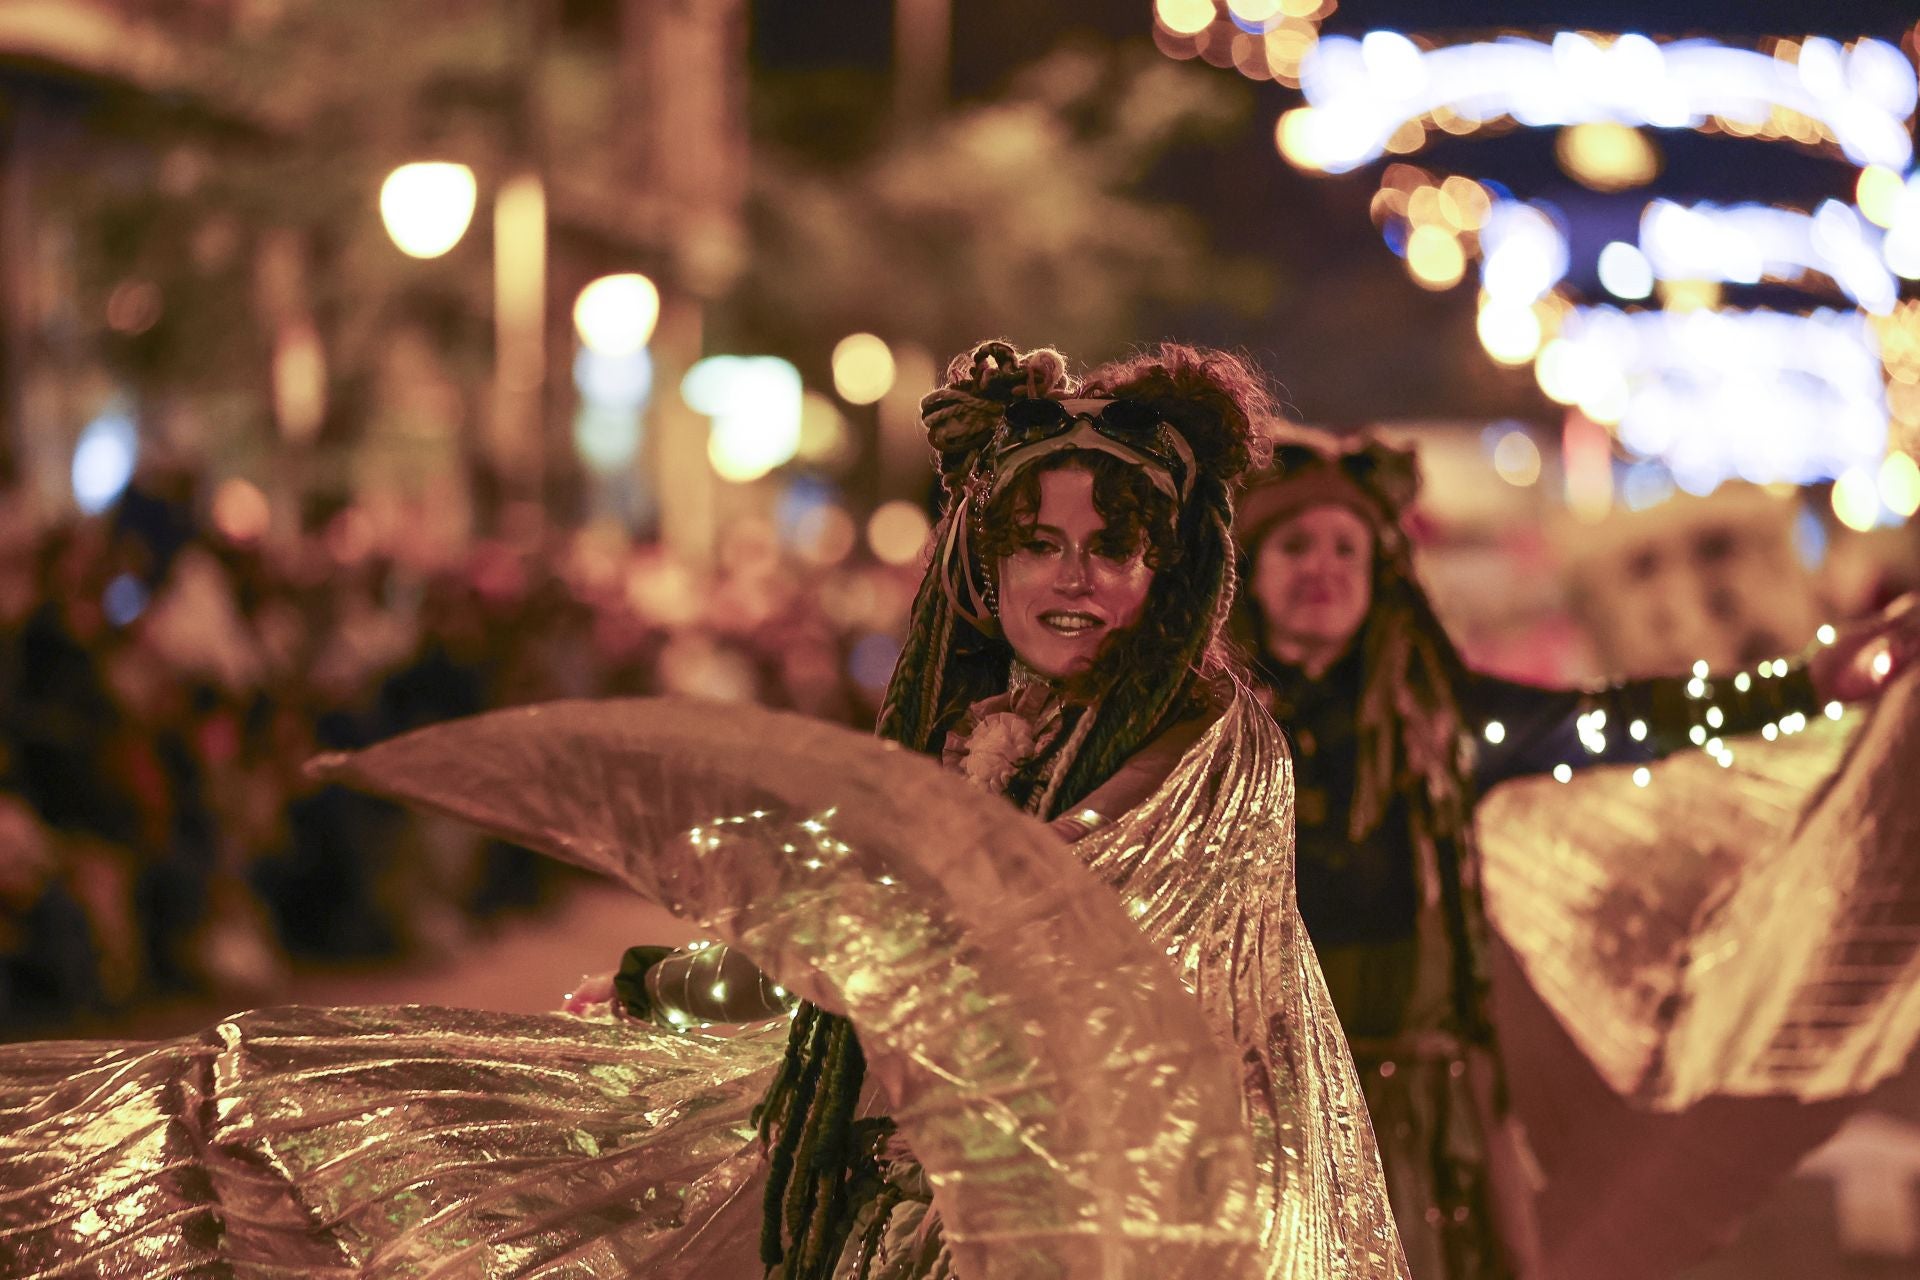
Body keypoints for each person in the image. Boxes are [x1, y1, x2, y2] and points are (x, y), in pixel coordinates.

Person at [0, 344, 1405, 1279]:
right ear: (981, 568)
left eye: (1112, 547)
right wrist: (681, 982)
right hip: (891, 1203)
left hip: (1055, 1236)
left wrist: (738, 969)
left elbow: (996, 974)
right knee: (359, 1117)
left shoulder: (1211, 747)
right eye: (1035, 541)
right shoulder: (995, 735)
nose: (1070, 577)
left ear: (1177, 571)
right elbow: (878, 951)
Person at [1234, 432, 1920, 1280]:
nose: (1324, 567)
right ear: (1246, 571)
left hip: (1414, 1113)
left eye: (1348, 547)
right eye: (1295, 545)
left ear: (1382, 574)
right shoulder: (1202, 737)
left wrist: (1807, 686)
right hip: (1253, 1103)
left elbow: (1625, 720)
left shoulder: (1440, 721)